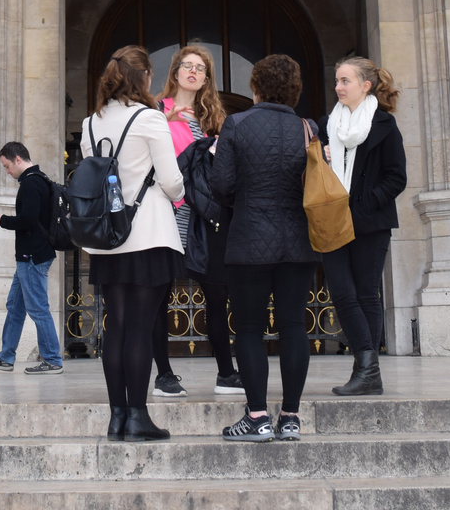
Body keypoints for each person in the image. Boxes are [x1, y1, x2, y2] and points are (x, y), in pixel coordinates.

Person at [209, 53, 317, 442]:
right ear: (294, 90)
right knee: (293, 326)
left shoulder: (236, 124)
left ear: (255, 87)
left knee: (250, 329)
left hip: (250, 239)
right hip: (299, 241)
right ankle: (290, 418)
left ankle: (257, 418)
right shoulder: (307, 127)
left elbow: (220, 185)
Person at [82, 45, 186, 442]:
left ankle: (117, 417)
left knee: (118, 327)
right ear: (142, 78)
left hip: (108, 239)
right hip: (148, 234)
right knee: (141, 329)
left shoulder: (92, 122)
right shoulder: (150, 119)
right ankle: (139, 417)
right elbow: (172, 180)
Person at [318, 56, 406, 396]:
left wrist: (365, 204)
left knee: (366, 293)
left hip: (369, 222)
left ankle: (366, 369)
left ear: (365, 86)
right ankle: (368, 367)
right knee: (342, 292)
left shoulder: (384, 124)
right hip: (332, 221)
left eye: (345, 81)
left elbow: (396, 177)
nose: (338, 87)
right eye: (337, 81)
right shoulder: (327, 125)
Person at [158, 44, 240, 396]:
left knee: (216, 292)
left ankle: (226, 371)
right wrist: (166, 120)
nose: (193, 72)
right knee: (160, 293)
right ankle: (163, 373)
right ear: (175, 71)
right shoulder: (155, 110)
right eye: (187, 66)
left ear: (207, 78)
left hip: (205, 216)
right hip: (167, 209)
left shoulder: (213, 119)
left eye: (200, 68)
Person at [0, 142, 64, 375]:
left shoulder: (31, 182)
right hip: (29, 257)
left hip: (32, 257)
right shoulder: (40, 179)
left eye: (7, 166)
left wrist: (3, 220)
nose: (7, 171)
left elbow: (27, 219)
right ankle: (6, 357)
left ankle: (53, 359)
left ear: (17, 159)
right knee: (15, 307)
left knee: (37, 309)